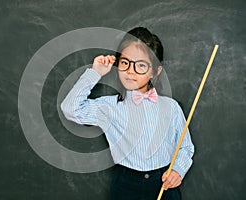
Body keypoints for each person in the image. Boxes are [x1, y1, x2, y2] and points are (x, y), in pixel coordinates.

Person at [61, 27, 194, 200]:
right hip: (127, 186)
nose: (130, 71)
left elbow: (186, 146)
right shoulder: (110, 107)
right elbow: (70, 109)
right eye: (125, 63)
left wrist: (178, 170)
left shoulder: (171, 107)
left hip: (164, 184)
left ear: (155, 71)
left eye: (140, 65)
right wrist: (95, 73)